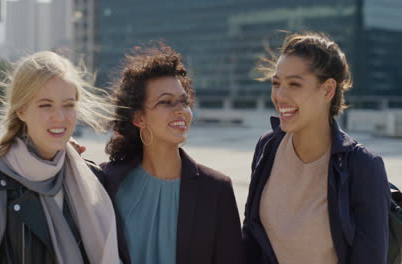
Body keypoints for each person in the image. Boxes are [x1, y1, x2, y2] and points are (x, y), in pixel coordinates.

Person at [0, 51, 121, 264]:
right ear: (21, 110)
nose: (59, 117)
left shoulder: (91, 178)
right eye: (45, 105)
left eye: (68, 105)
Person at [242, 32, 390, 264]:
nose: (280, 95)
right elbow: (251, 237)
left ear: (328, 90)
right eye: (276, 83)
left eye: (294, 84)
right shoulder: (267, 147)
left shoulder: (363, 167)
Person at [97, 43, 245, 264]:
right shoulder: (107, 182)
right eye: (165, 102)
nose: (180, 110)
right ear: (139, 118)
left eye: (184, 102)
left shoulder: (215, 189)